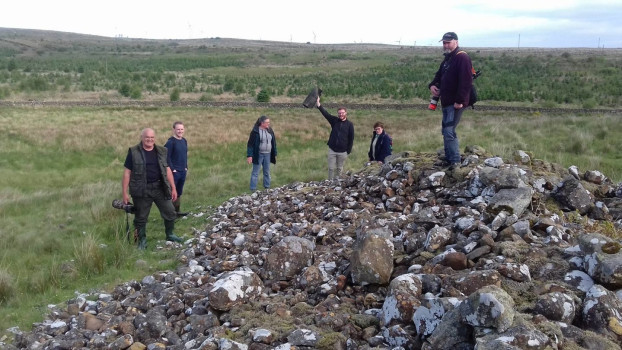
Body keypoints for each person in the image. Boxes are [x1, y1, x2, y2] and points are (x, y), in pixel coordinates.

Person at [122, 128, 183, 249]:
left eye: (152, 137)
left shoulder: (162, 151)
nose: (150, 140)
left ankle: (170, 234)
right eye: (147, 137)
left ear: (154, 138)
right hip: (141, 189)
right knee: (140, 217)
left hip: (160, 187)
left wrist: (173, 188)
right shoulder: (133, 152)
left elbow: (168, 169)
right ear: (142, 137)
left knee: (170, 211)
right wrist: (124, 192)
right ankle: (142, 241)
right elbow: (127, 173)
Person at [428, 32, 473, 170]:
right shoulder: (448, 59)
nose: (445, 45)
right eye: (444, 42)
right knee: (445, 130)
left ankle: (454, 162)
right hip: (446, 102)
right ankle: (449, 158)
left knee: (449, 131)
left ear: (456, 42)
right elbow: (439, 75)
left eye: (448, 42)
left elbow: (466, 81)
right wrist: (432, 85)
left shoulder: (462, 58)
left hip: (456, 103)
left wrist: (459, 101)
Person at [315, 96, 354, 180]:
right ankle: (330, 183)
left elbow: (351, 138)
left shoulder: (350, 125)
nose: (341, 114)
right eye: (339, 113)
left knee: (339, 169)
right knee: (331, 168)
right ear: (338, 113)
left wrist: (348, 151)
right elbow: (326, 114)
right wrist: (318, 104)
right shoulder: (334, 121)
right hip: (332, 150)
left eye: (342, 113)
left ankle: (338, 183)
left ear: (346, 113)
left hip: (343, 152)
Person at [164, 121, 189, 217]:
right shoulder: (170, 142)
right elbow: (166, 157)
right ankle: (170, 214)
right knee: (172, 193)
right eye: (178, 129)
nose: (180, 131)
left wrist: (186, 166)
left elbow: (184, 155)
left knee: (179, 192)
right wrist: (172, 169)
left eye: (182, 129)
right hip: (174, 173)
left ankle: (177, 212)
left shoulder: (184, 141)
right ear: (174, 129)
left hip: (183, 171)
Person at [246, 116, 277, 191]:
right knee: (255, 172)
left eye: (269, 122)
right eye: (267, 122)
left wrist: (274, 152)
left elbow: (273, 142)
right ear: (262, 123)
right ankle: (253, 189)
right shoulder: (255, 131)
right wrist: (250, 156)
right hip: (258, 154)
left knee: (267, 172)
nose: (268, 124)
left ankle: (267, 187)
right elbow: (250, 144)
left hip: (268, 154)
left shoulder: (270, 130)